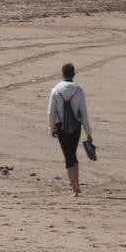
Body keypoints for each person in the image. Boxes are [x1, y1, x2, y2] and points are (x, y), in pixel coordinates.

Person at [48, 62, 93, 197]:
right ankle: (76, 184)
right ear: (73, 74)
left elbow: (51, 111)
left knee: (68, 156)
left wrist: (51, 128)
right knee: (73, 154)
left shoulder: (56, 90)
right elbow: (84, 112)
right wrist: (88, 132)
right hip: (76, 126)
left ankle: (74, 187)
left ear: (62, 74)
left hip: (61, 127)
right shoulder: (78, 90)